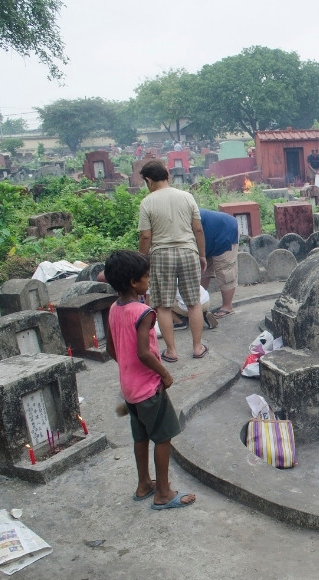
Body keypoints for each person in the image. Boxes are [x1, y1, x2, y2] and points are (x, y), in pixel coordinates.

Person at [104, 250, 196, 510]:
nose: (149, 282)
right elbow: (144, 352)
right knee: (163, 437)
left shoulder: (114, 308)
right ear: (134, 282)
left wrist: (128, 368)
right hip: (148, 389)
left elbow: (112, 348)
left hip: (129, 388)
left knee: (140, 436)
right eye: (146, 277)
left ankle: (144, 483)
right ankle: (163, 493)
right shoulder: (144, 313)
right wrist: (164, 374)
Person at [137, 160, 208, 362]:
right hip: (188, 252)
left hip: (162, 255)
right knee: (193, 302)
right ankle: (197, 347)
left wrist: (141, 261)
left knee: (163, 306)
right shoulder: (187, 197)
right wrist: (201, 255)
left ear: (148, 180)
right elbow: (198, 229)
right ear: (167, 175)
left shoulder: (147, 202)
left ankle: (171, 351)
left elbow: (145, 237)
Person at [199, 208, 239, 319]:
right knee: (203, 270)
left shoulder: (187, 214)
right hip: (208, 239)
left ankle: (227, 307)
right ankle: (199, 302)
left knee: (225, 270)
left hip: (225, 231)